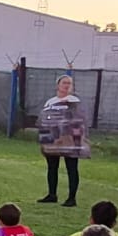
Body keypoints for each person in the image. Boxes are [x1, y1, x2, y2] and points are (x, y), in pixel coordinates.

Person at [37, 73, 84, 207]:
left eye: (69, 83)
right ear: (58, 85)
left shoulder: (74, 101)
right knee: (52, 167)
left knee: (72, 167)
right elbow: (46, 119)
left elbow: (77, 119)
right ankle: (52, 194)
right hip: (53, 138)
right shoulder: (50, 102)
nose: (67, 86)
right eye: (64, 83)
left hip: (68, 138)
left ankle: (71, 198)